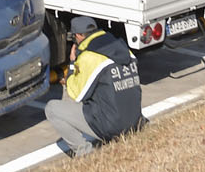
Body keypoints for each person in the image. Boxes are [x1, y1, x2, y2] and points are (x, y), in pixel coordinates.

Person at [44, 15, 147, 158]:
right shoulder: (124, 49)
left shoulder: (89, 57)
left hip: (113, 126)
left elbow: (76, 94)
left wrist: (73, 63)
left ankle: (84, 152)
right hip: (136, 120)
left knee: (52, 108)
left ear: (78, 36)